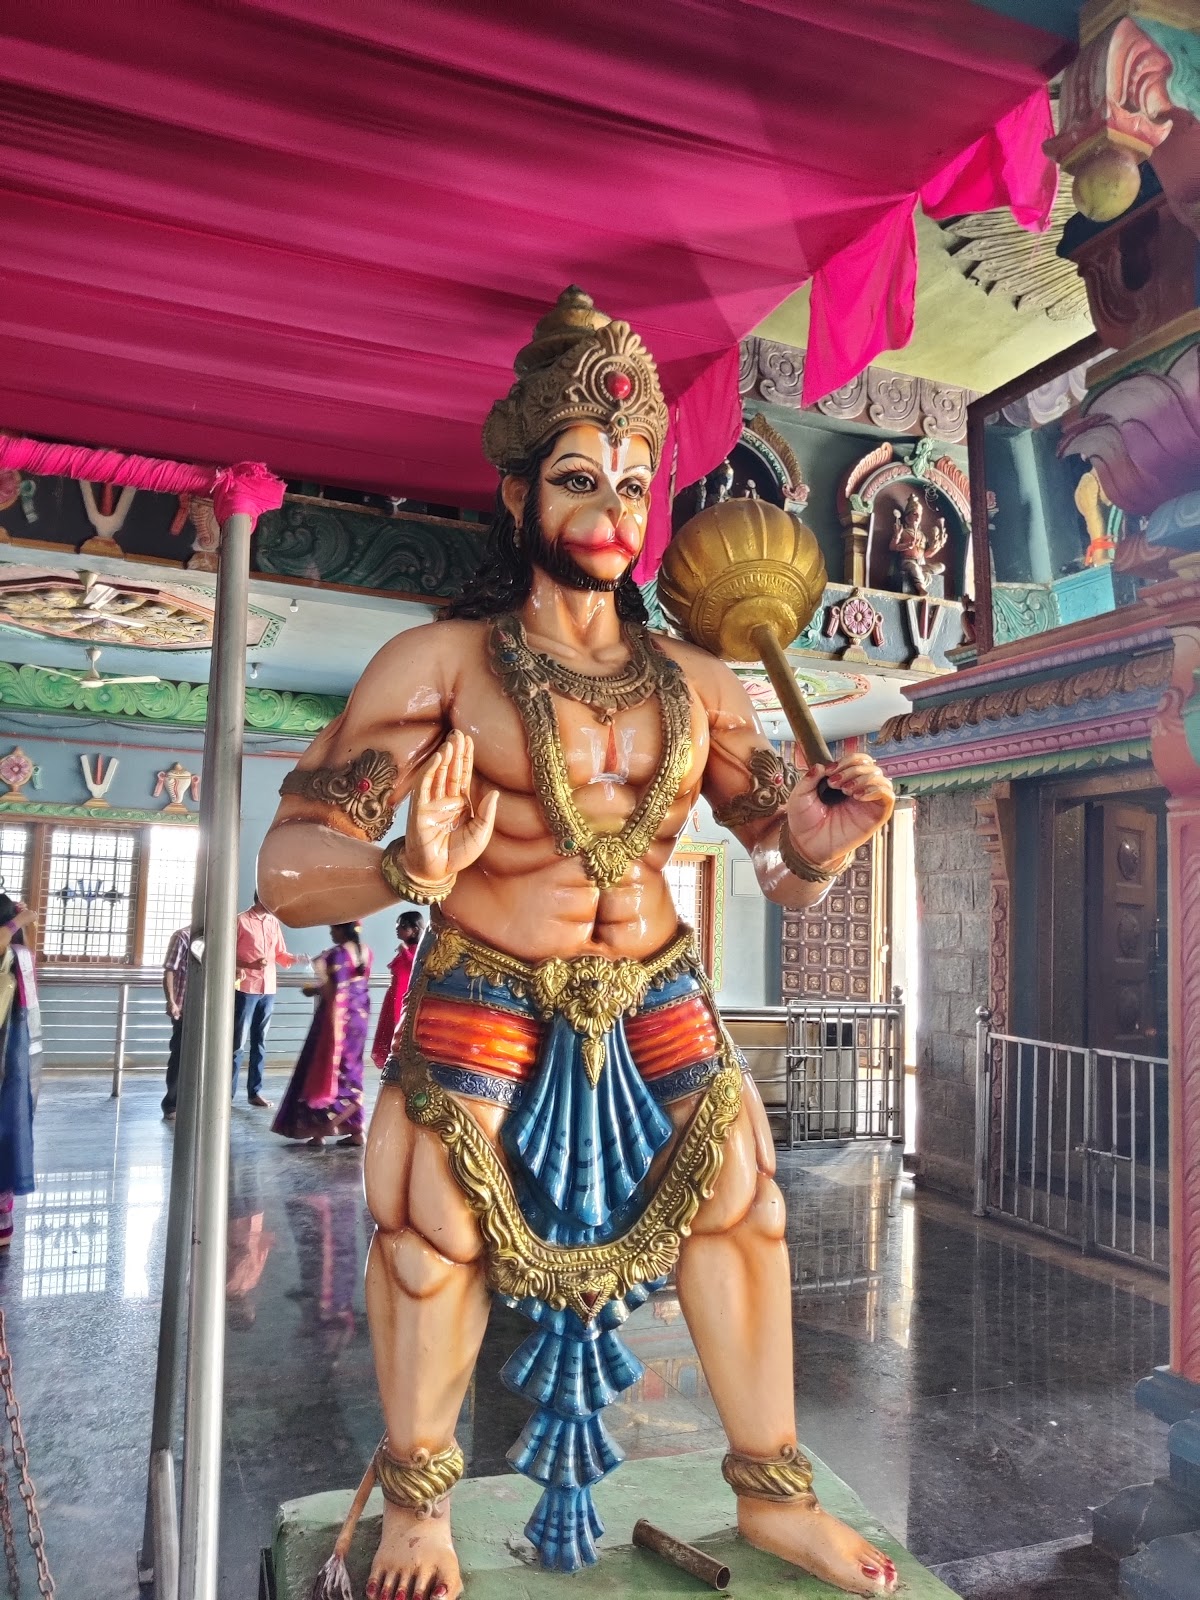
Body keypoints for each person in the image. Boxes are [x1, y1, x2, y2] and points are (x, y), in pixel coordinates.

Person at [260, 288, 898, 1598]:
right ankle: (422, 1508)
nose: (611, 503)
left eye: (631, 478)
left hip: (654, 979)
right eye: (576, 475)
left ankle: (772, 1493)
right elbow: (286, 869)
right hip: (489, 979)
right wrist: (397, 865)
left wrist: (822, 841)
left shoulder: (705, 687)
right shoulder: (441, 668)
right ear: (516, 496)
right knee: (432, 1220)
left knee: (745, 1200)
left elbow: (777, 863)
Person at [272, 922, 373, 1148]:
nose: (330, 934)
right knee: (351, 1071)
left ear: (341, 930)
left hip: (335, 1022)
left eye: (333, 930)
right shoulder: (366, 952)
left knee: (322, 1067)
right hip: (359, 1020)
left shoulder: (335, 955)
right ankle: (356, 1130)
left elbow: (331, 989)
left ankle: (318, 1131)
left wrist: (312, 989)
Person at [0, 894, 40, 1248]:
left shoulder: (13, 956)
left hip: (10, 1045)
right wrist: (22, 919)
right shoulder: (16, 953)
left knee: (9, 1124)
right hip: (12, 1048)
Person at [233, 894, 298, 1108]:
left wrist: (296, 959)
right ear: (262, 898)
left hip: (268, 989)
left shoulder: (273, 922)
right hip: (245, 988)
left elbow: (280, 954)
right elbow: (226, 954)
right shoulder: (240, 921)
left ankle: (255, 1092)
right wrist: (249, 965)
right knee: (237, 1044)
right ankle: (226, 1094)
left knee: (259, 1042)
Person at [371, 910, 425, 1070]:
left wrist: (405, 952)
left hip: (403, 1000)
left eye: (402, 926)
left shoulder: (418, 951)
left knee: (399, 1035)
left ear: (415, 930)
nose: (398, 929)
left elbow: (417, 970)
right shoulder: (408, 949)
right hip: (393, 998)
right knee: (389, 1035)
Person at [160, 923, 191, 1121]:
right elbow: (170, 970)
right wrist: (171, 1001)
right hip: (184, 1007)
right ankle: (171, 1103)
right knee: (180, 1055)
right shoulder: (182, 936)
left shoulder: (221, 938)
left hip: (210, 1008)